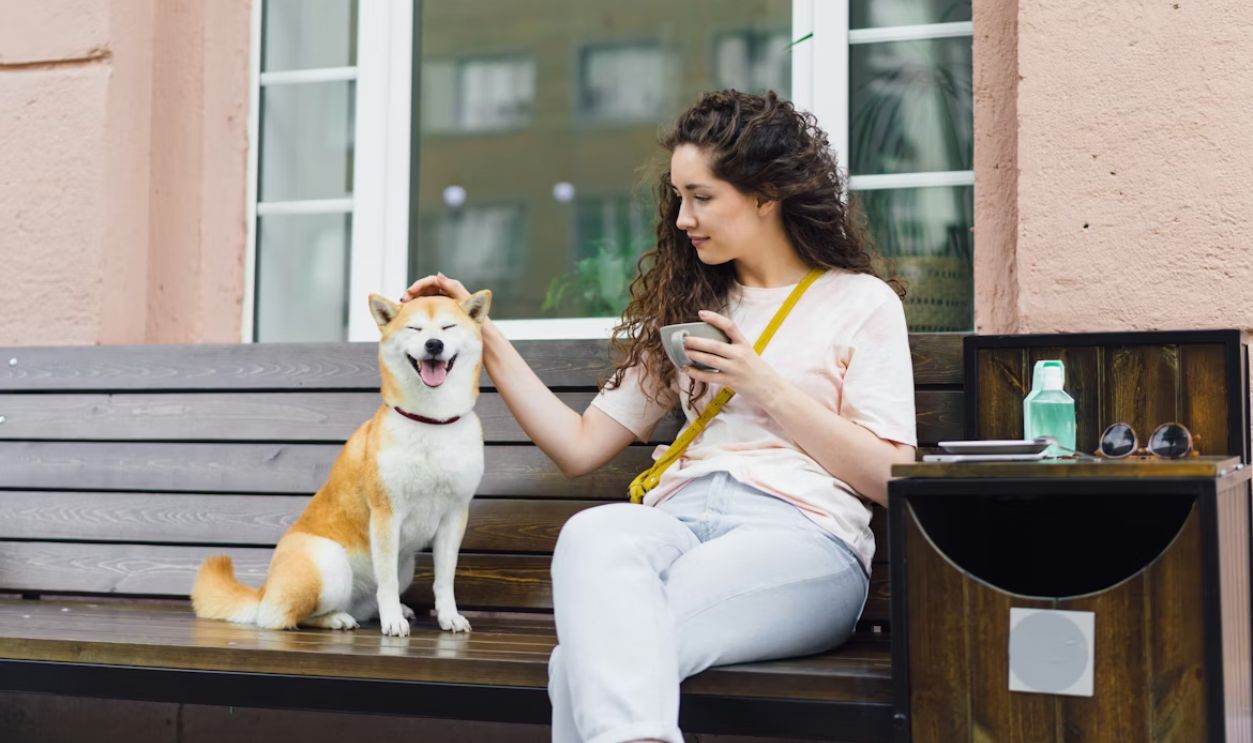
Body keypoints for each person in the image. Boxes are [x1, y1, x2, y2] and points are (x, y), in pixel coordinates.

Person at [403, 89, 917, 743]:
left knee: (583, 664)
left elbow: (892, 476)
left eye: (701, 197)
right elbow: (580, 445)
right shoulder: (694, 302)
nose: (682, 219)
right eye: (678, 197)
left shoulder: (858, 303)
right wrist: (485, 338)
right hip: (675, 525)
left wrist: (764, 386)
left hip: (799, 540)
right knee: (593, 536)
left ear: (765, 193)